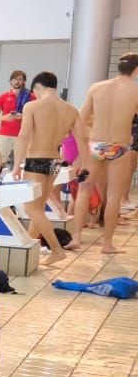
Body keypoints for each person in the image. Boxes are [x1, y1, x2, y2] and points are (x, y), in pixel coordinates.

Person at [14, 71, 86, 265]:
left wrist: (15, 166)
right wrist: (85, 164)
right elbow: (82, 138)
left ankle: (56, 250)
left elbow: (23, 136)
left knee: (32, 209)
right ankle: (31, 245)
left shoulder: (32, 106)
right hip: (54, 161)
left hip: (36, 160)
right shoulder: (71, 110)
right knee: (39, 208)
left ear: (38, 87)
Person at [76, 53, 138, 255]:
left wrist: (87, 141)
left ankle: (76, 238)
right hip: (120, 147)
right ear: (136, 70)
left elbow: (81, 119)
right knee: (113, 196)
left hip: (95, 145)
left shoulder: (96, 87)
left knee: (84, 190)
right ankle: (107, 244)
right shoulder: (135, 91)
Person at [0, 69, 28, 174]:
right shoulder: (3, 97)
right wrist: (5, 117)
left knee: (22, 163)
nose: (17, 81)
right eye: (14, 79)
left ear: (24, 82)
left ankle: (20, 186)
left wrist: (23, 116)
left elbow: (37, 117)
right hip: (5, 134)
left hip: (22, 135)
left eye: (20, 79)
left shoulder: (31, 97)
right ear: (10, 81)